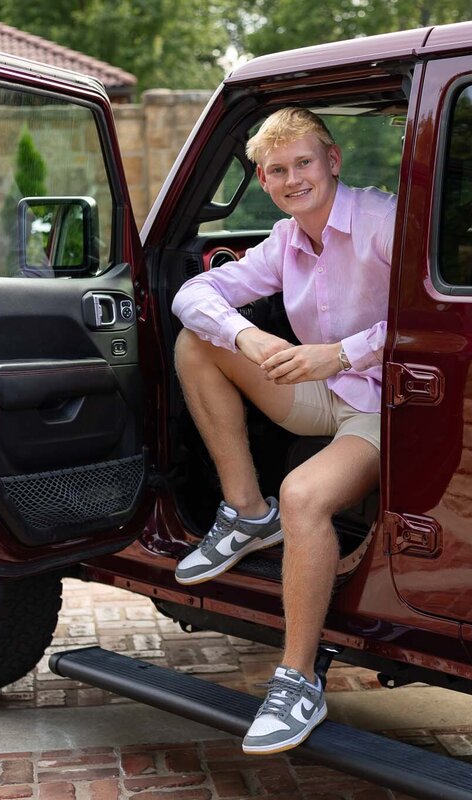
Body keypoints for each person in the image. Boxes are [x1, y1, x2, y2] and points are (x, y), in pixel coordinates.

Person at [170, 107, 395, 755]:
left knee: (301, 494)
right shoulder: (284, 239)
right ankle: (246, 513)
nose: (293, 179)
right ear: (264, 182)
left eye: (303, 163)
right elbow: (192, 295)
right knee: (196, 343)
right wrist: (246, 334)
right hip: (320, 392)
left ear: (333, 161)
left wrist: (341, 354)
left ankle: (298, 681)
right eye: (277, 170)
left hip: (387, 405)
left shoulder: (382, 220)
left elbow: (437, 313)